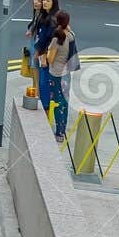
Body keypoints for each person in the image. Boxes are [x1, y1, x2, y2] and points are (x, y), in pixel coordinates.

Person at [44, 10, 77, 141]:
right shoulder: (71, 35)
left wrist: (46, 54)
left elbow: (50, 59)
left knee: (57, 102)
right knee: (64, 101)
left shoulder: (56, 39)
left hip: (56, 74)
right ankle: (62, 130)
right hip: (66, 74)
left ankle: (58, 133)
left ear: (56, 22)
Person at [33, 0, 60, 111]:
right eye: (44, 0)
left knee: (45, 83)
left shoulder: (52, 20)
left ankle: (46, 109)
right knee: (43, 83)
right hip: (42, 54)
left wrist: (42, 53)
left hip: (47, 56)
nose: (44, 2)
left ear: (53, 3)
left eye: (48, 1)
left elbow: (48, 39)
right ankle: (46, 107)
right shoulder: (44, 17)